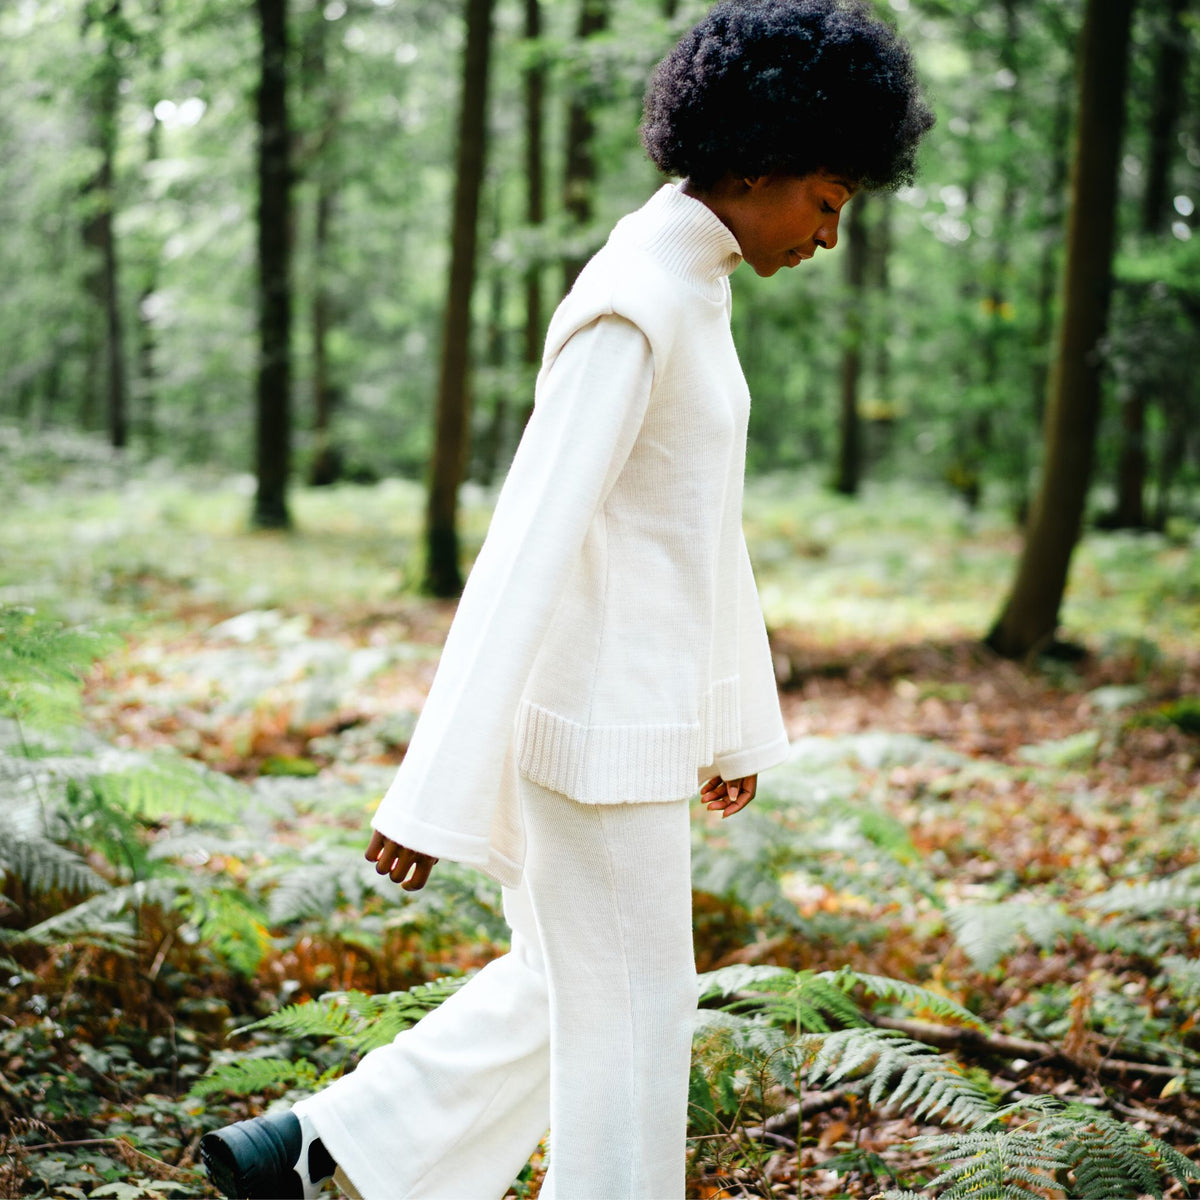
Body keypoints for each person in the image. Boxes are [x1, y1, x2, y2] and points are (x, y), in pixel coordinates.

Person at [200, 1, 933, 1196]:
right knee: (636, 1028)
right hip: (596, 741)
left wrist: (730, 719)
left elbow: (698, 528)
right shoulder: (632, 301)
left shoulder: (690, 283)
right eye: (829, 199)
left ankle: (316, 1145)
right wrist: (435, 785)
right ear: (760, 160)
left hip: (630, 722)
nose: (830, 232)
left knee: (563, 986)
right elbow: (526, 547)